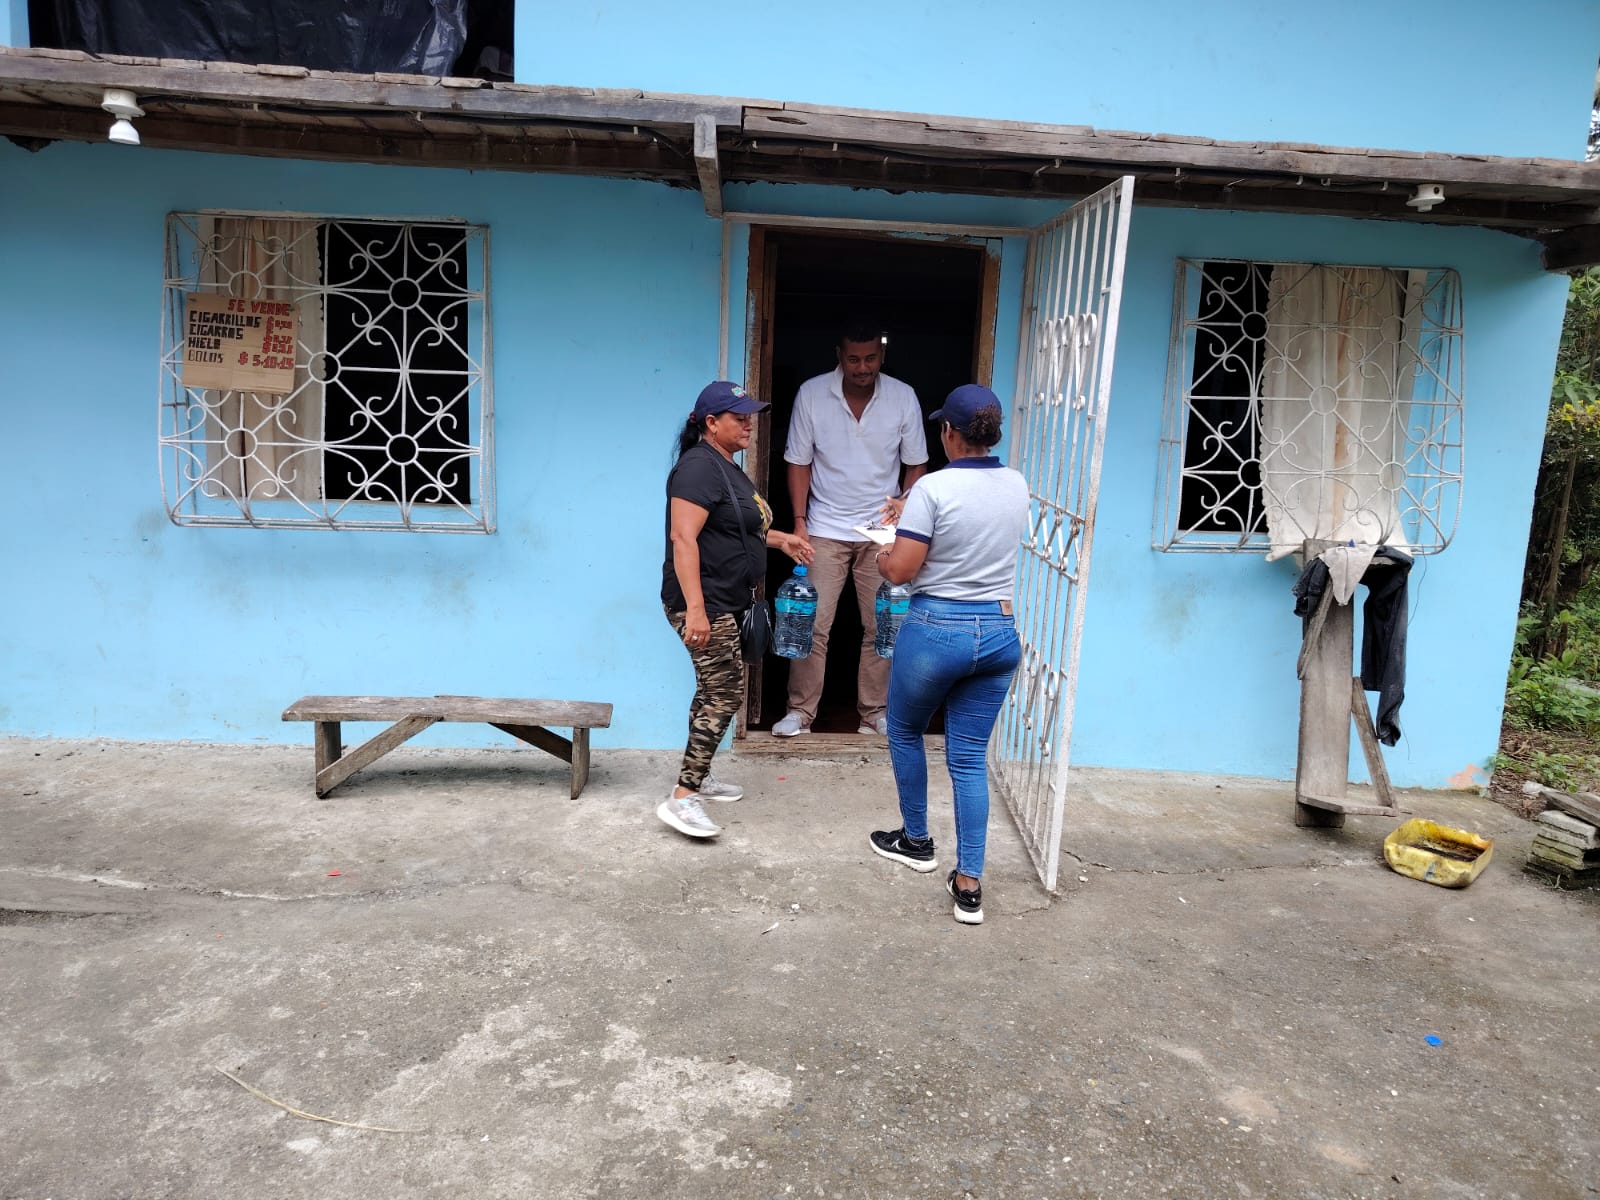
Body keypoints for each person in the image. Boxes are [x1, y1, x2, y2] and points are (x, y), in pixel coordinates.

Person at [866, 384, 1028, 925]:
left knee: (903, 729)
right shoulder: (1017, 483)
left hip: (938, 629)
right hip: (999, 630)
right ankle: (969, 884)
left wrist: (884, 552)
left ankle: (916, 841)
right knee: (968, 758)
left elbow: (902, 570)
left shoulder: (932, 487)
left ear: (949, 433)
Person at [659, 381, 812, 839]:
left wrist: (781, 540)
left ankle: (699, 774)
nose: (748, 424)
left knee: (714, 689)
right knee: (724, 694)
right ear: (711, 423)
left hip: (727, 600)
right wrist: (696, 610)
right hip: (704, 602)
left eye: (750, 416)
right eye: (738, 417)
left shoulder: (727, 466)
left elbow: (736, 529)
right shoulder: (696, 469)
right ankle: (683, 797)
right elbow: (683, 538)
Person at [774, 319, 928, 737]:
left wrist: (904, 501)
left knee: (883, 625)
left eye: (871, 358)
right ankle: (800, 713)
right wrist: (800, 522)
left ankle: (874, 713)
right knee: (810, 622)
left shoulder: (902, 396)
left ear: (882, 355)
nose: (863, 367)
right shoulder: (812, 394)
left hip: (881, 530)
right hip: (824, 526)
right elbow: (798, 461)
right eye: (854, 359)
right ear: (839, 356)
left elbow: (916, 463)